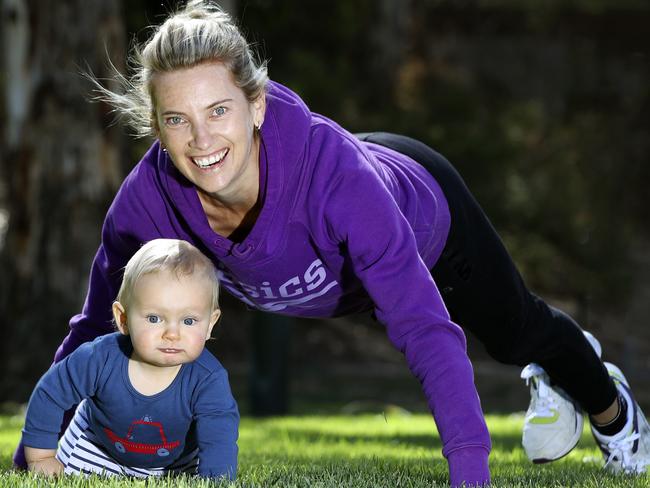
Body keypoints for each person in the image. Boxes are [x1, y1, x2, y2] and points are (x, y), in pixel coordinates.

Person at [13, 0, 650, 485]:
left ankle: (612, 411)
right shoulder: (144, 206)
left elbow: (426, 330)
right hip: (342, 254)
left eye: (219, 111)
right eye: (177, 119)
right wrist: (25, 462)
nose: (201, 140)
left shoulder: (336, 181)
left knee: (517, 334)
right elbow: (96, 327)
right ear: (156, 126)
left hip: (423, 218)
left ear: (256, 106)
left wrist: (469, 473)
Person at [20, 238, 239, 480]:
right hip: (96, 447)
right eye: (155, 318)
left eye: (188, 321)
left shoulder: (208, 379)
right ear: (123, 319)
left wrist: (215, 479)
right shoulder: (99, 359)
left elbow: (220, 434)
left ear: (210, 324)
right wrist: (41, 457)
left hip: (174, 462)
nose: (172, 334)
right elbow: (51, 393)